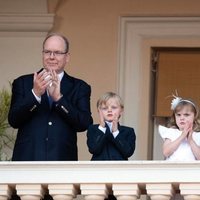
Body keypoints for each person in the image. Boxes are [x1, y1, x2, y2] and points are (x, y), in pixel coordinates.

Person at [8, 32, 93, 161]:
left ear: (67, 57)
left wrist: (59, 99)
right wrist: (35, 94)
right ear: (43, 54)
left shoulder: (80, 87)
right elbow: (14, 120)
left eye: (57, 53)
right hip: (27, 161)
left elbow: (84, 123)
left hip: (62, 162)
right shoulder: (23, 83)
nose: (51, 57)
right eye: (47, 52)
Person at [87, 92, 136, 160]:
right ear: (99, 111)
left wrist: (115, 132)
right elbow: (93, 149)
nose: (109, 110)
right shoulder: (93, 129)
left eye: (114, 107)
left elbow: (128, 152)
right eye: (104, 108)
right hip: (98, 169)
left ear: (121, 111)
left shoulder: (128, 131)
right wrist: (102, 128)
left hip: (119, 169)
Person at [159, 96, 200, 161]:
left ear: (195, 116)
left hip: (191, 170)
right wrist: (182, 136)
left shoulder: (197, 135)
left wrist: (190, 140)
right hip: (173, 169)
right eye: (178, 115)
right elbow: (165, 152)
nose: (182, 118)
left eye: (186, 115)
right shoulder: (171, 132)